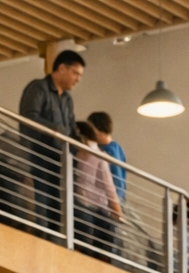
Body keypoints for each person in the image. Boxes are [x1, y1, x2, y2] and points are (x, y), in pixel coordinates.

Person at [18, 50, 84, 232]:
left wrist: (82, 146)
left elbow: (70, 129)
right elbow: (28, 119)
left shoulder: (68, 99)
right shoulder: (38, 88)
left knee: (59, 211)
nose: (78, 79)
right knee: (41, 207)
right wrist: (55, 130)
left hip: (60, 163)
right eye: (75, 73)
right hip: (38, 159)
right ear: (61, 68)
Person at [73, 120, 123, 262]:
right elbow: (108, 184)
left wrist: (115, 206)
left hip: (89, 205)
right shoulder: (90, 154)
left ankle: (91, 259)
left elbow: (108, 185)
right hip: (91, 205)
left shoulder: (89, 155)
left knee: (94, 230)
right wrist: (115, 207)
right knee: (100, 230)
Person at [87, 111, 126, 204]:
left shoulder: (107, 152)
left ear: (97, 130)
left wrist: (115, 199)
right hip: (116, 197)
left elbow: (117, 177)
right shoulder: (117, 147)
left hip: (109, 200)